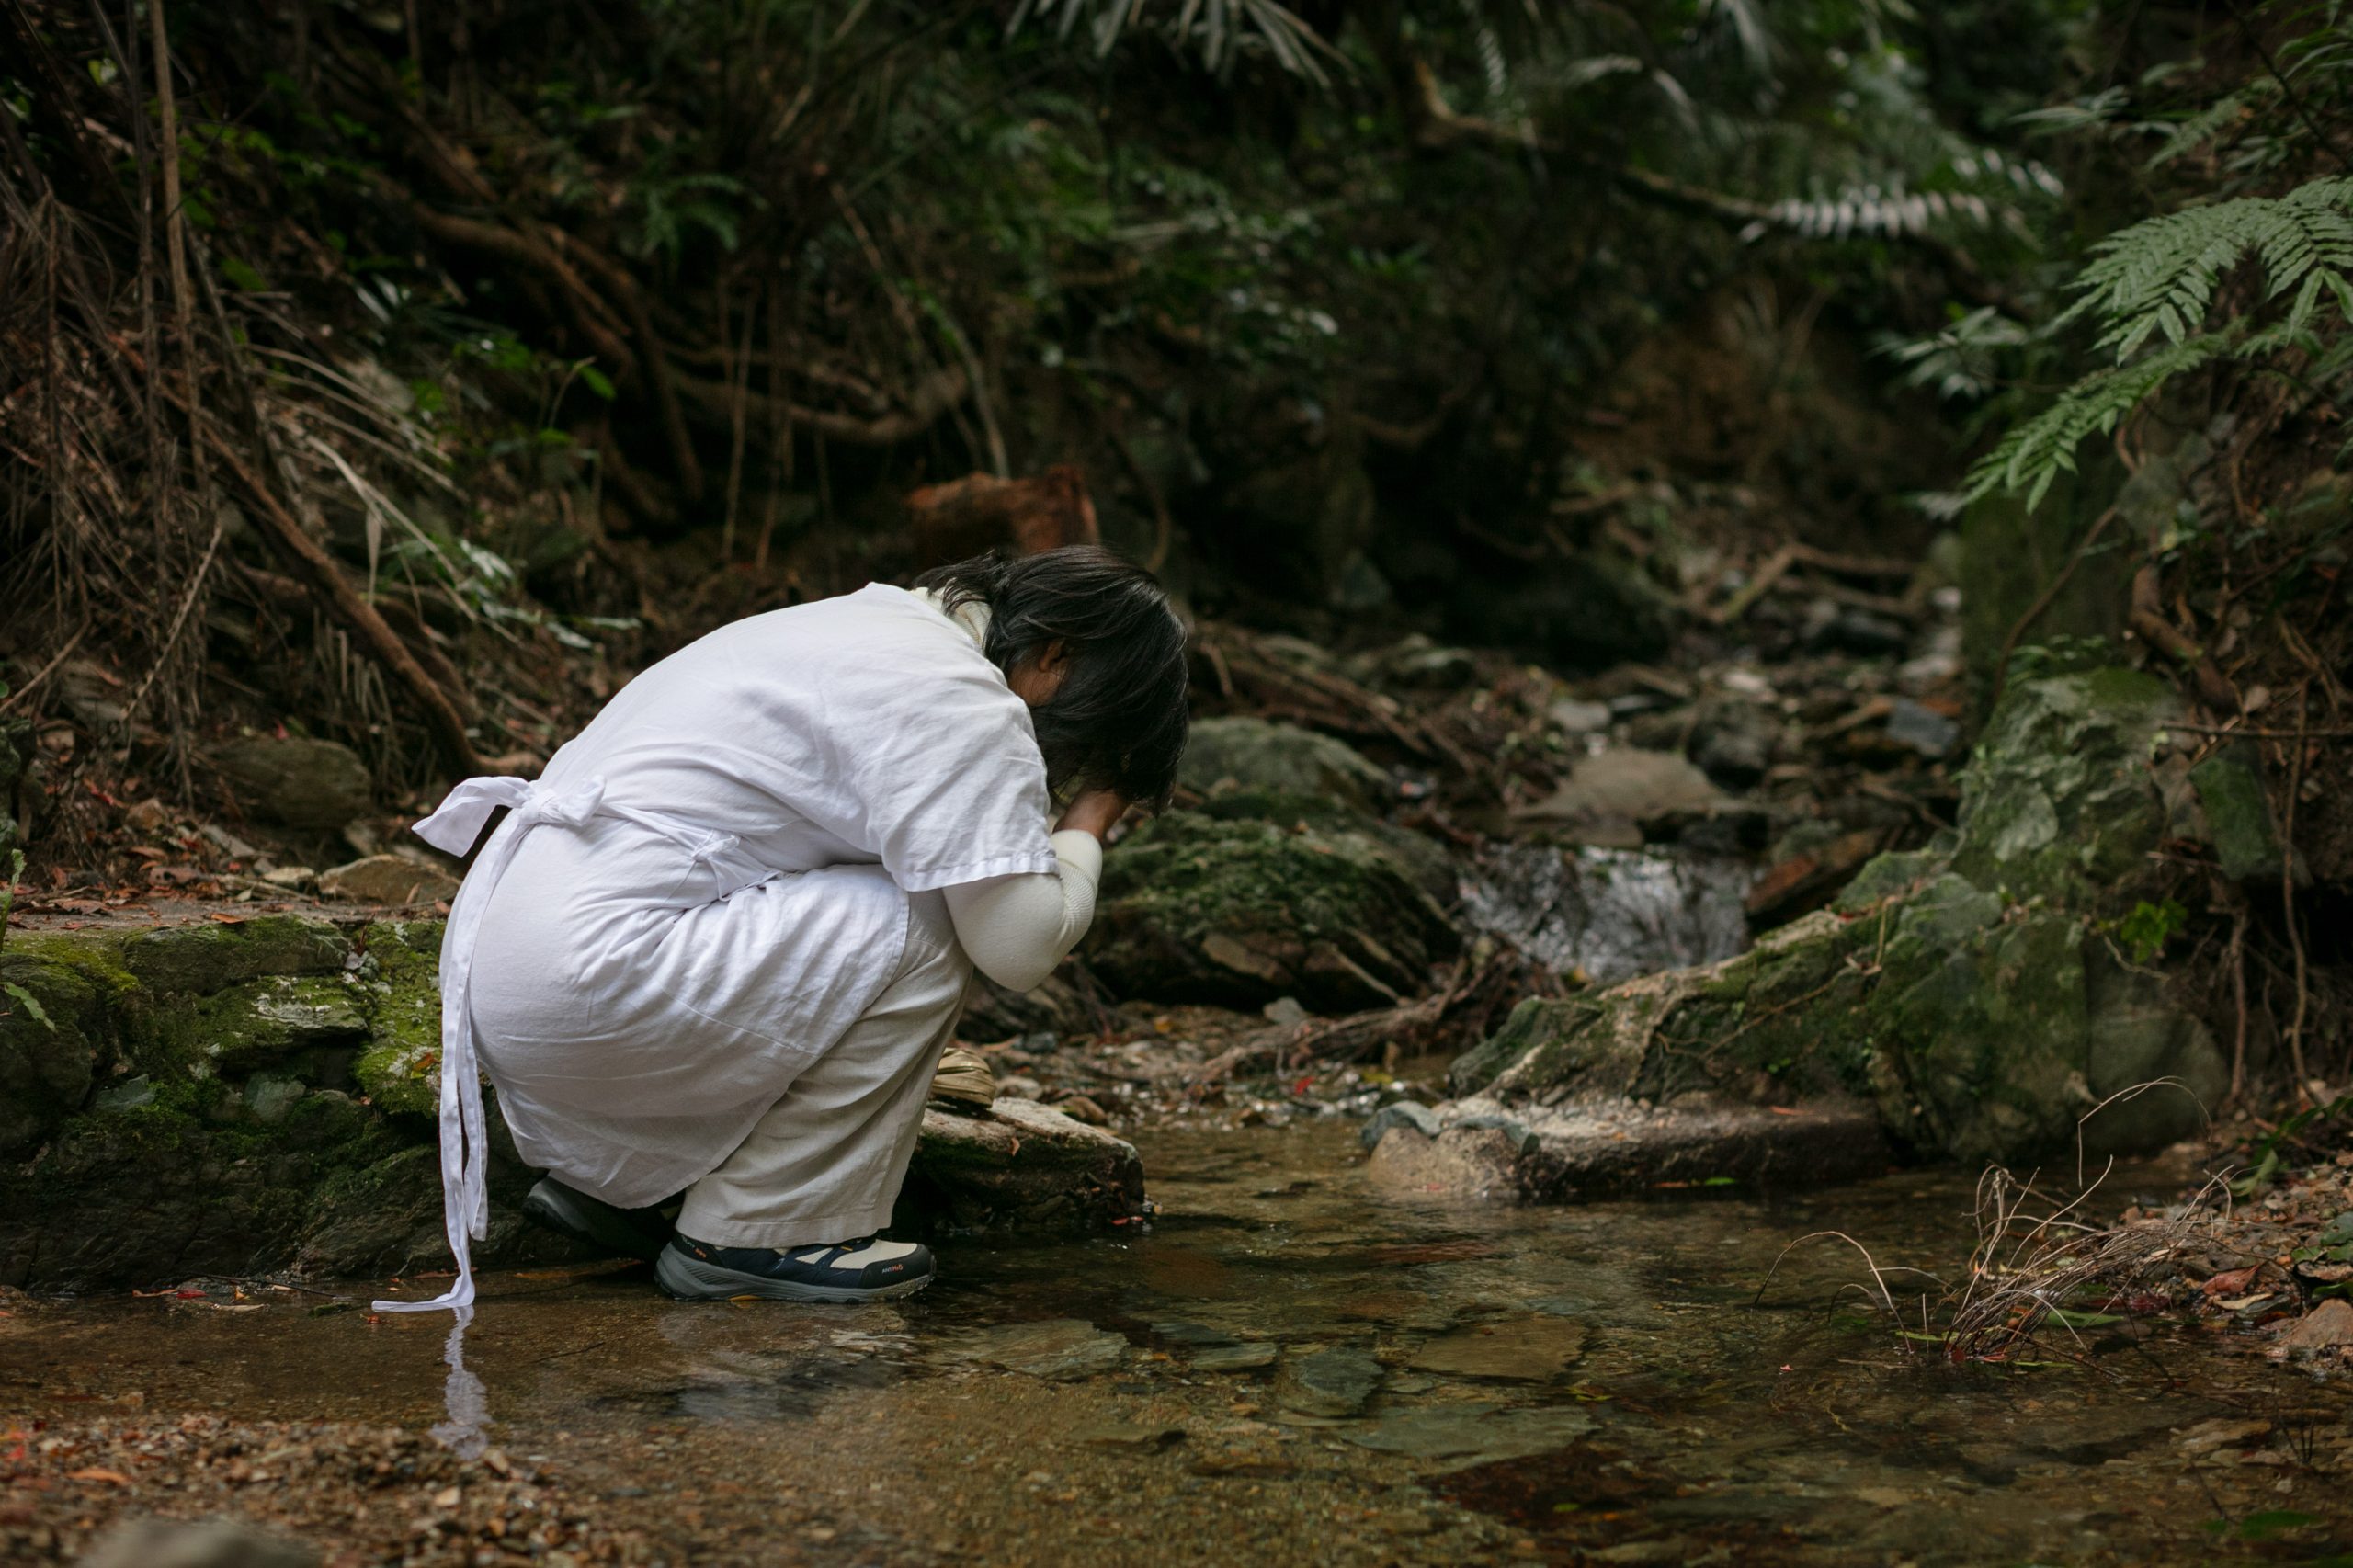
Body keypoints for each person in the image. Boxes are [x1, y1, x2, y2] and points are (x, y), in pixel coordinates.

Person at [370, 546, 1188, 1314]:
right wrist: (1090, 817)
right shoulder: (962, 695)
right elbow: (1019, 945)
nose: (1065, 756)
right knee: (931, 915)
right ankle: (769, 1232)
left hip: (512, 979)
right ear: (1056, 658)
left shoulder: (864, 626)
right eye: (1088, 732)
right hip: (591, 984)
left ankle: (633, 1189)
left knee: (883, 892)